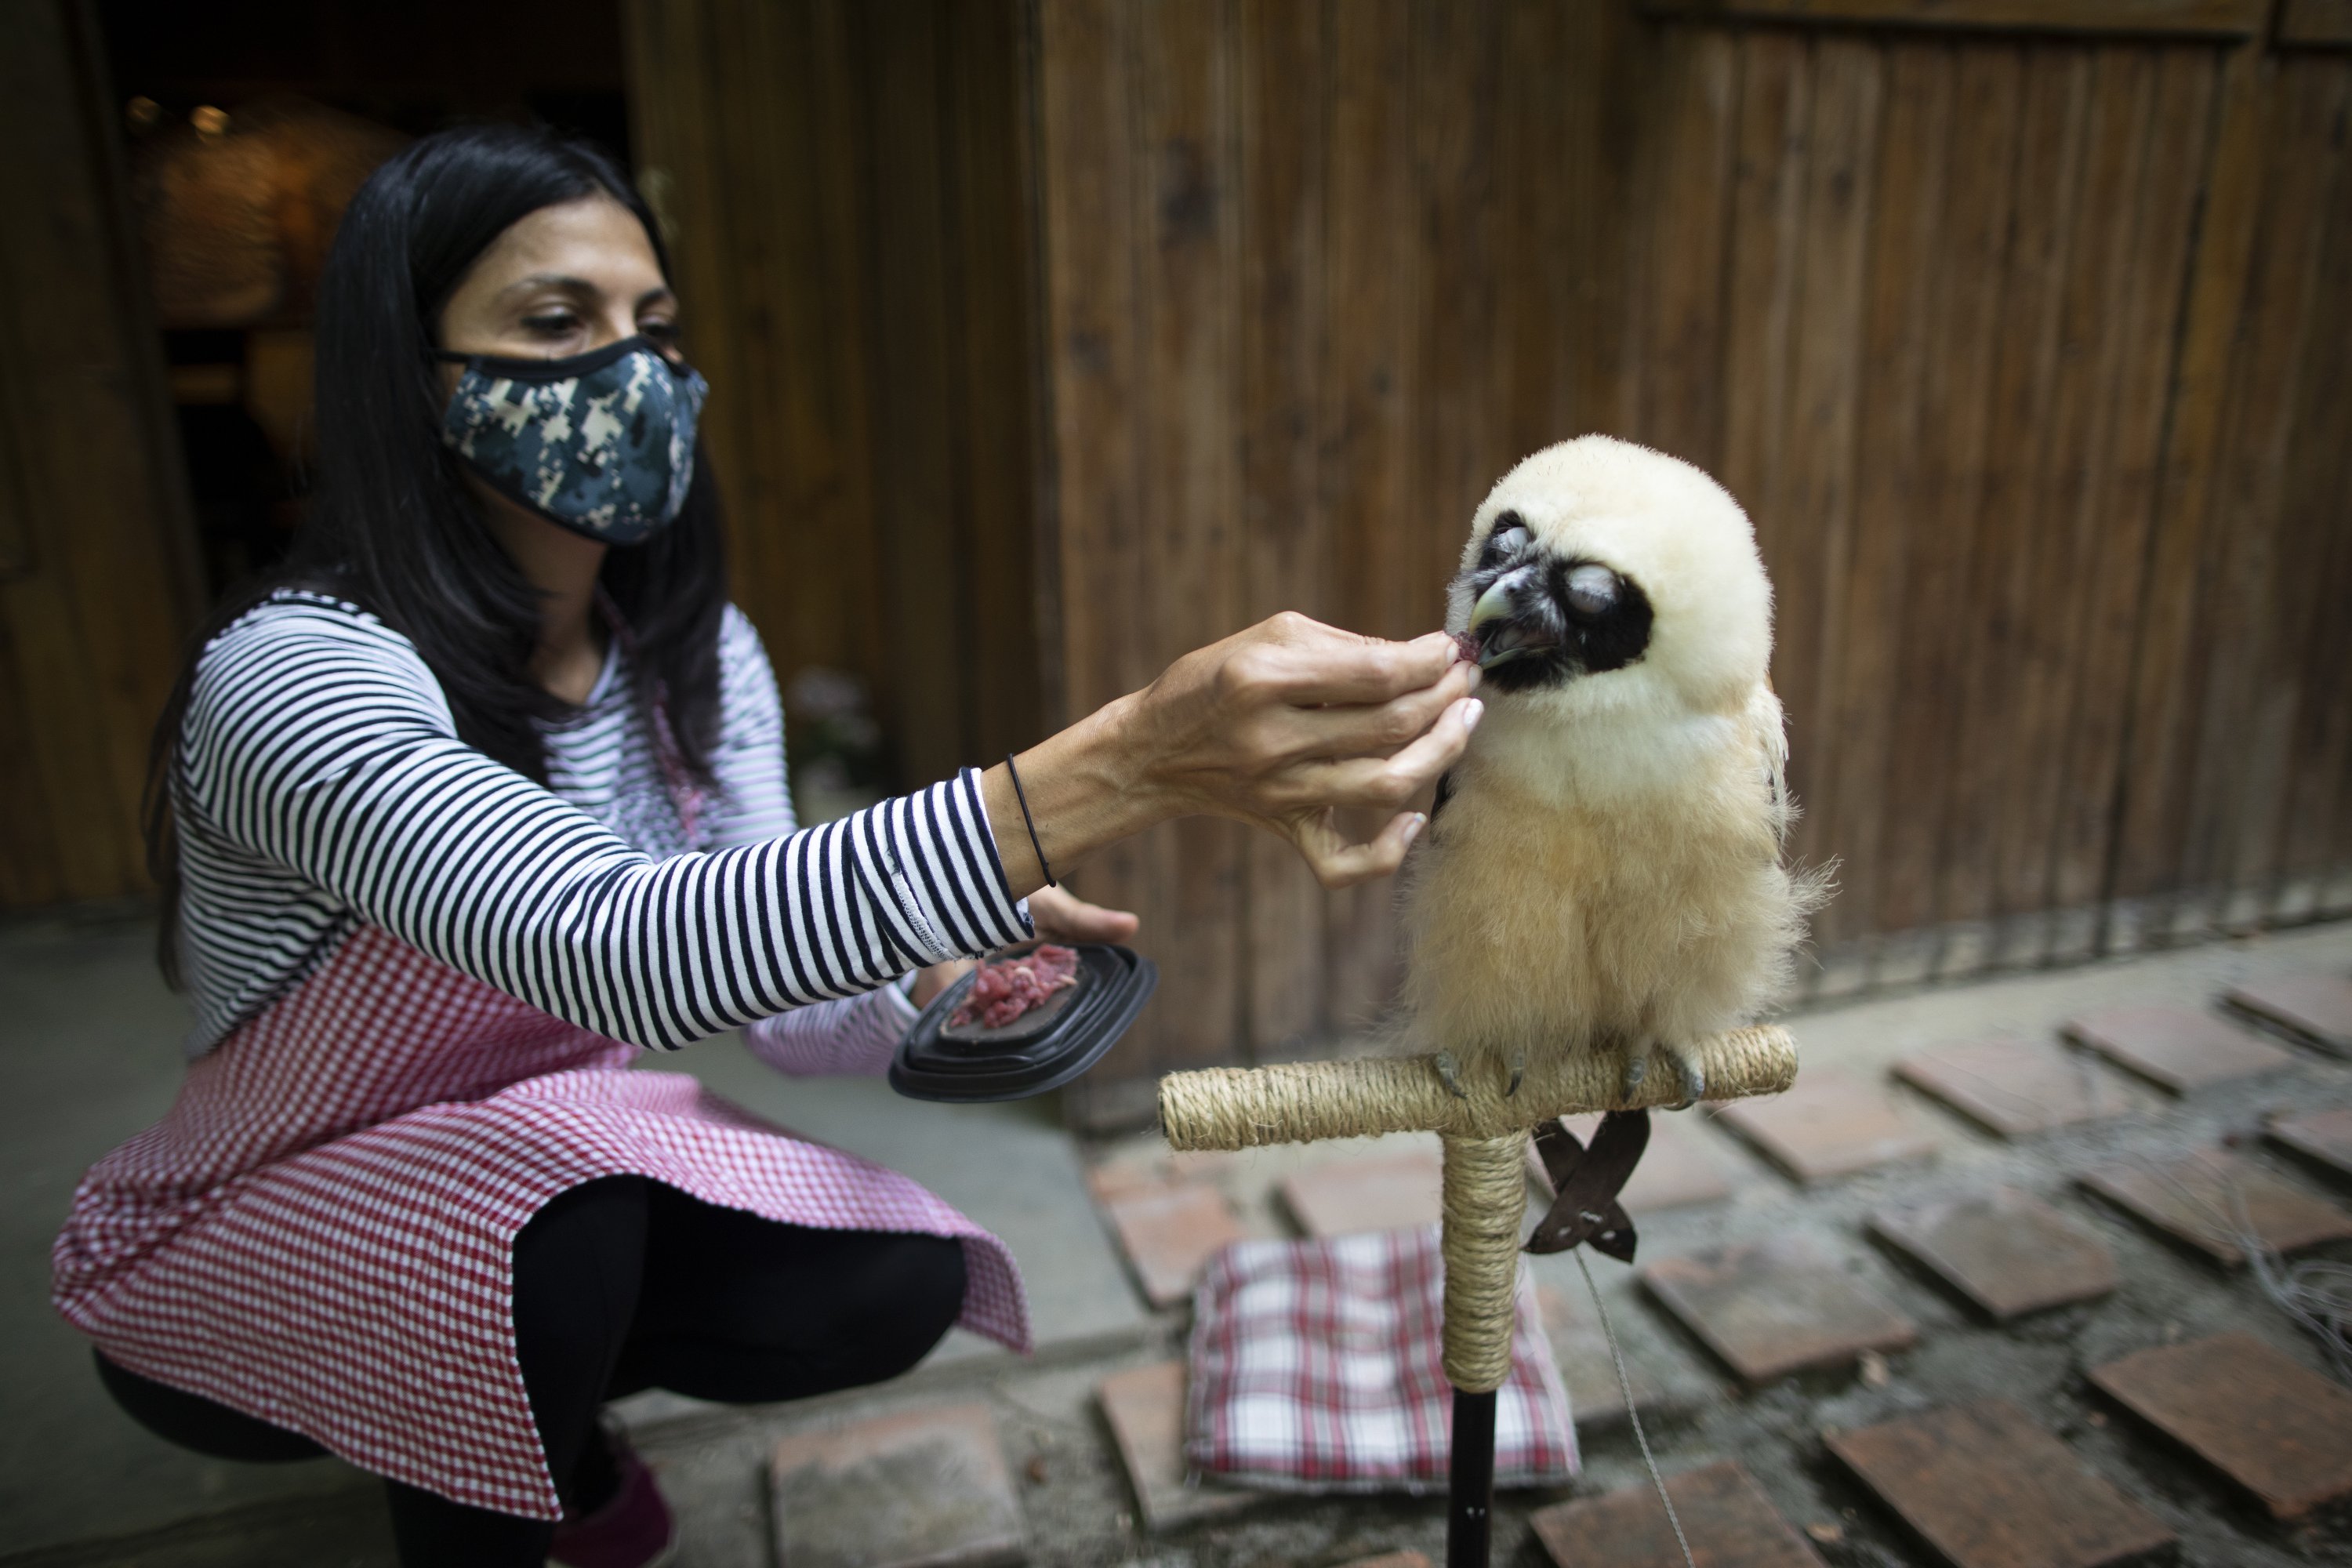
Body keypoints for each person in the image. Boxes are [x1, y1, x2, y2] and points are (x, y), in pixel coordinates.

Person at [52, 125, 1482, 1568]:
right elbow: (616, 949)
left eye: (654, 328)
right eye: (556, 324)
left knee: (884, 1284)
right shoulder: (297, 673)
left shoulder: (688, 659)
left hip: (546, 1175)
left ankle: (534, 1417)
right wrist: (1124, 762)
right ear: (408, 383)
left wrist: (927, 982)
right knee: (559, 1224)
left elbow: (773, 995)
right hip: (259, 1233)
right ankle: (494, 1496)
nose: (633, 368)